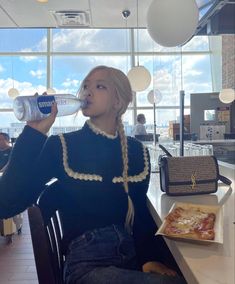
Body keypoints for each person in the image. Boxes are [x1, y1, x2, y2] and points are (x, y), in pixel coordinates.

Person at [0, 66, 185, 283]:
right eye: (85, 86)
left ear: (118, 102)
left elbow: (141, 214)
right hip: (86, 267)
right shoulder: (61, 145)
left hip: (131, 258)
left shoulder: (136, 152)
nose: (87, 91)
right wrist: (33, 133)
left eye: (99, 86)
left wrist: (149, 257)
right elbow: (7, 203)